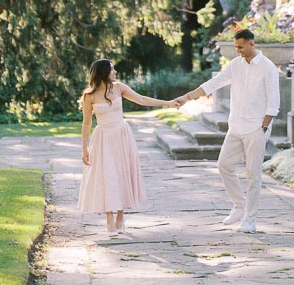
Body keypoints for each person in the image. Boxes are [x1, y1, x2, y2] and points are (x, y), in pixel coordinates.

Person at [175, 28, 279, 233]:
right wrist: (188, 97)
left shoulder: (268, 68)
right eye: (236, 47)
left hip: (256, 128)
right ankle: (239, 206)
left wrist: (263, 128)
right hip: (236, 126)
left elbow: (274, 102)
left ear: (252, 44)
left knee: (253, 175)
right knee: (224, 165)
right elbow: (214, 83)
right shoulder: (235, 65)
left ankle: (250, 220)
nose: (238, 50)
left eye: (241, 47)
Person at [78, 58, 172, 238]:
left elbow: (142, 100)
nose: (115, 72)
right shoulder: (89, 95)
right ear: (103, 72)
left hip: (122, 135)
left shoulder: (119, 87)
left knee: (121, 173)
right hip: (103, 138)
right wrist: (84, 149)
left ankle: (120, 214)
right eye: (112, 69)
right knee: (107, 176)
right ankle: (108, 218)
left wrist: (167, 103)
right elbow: (86, 124)